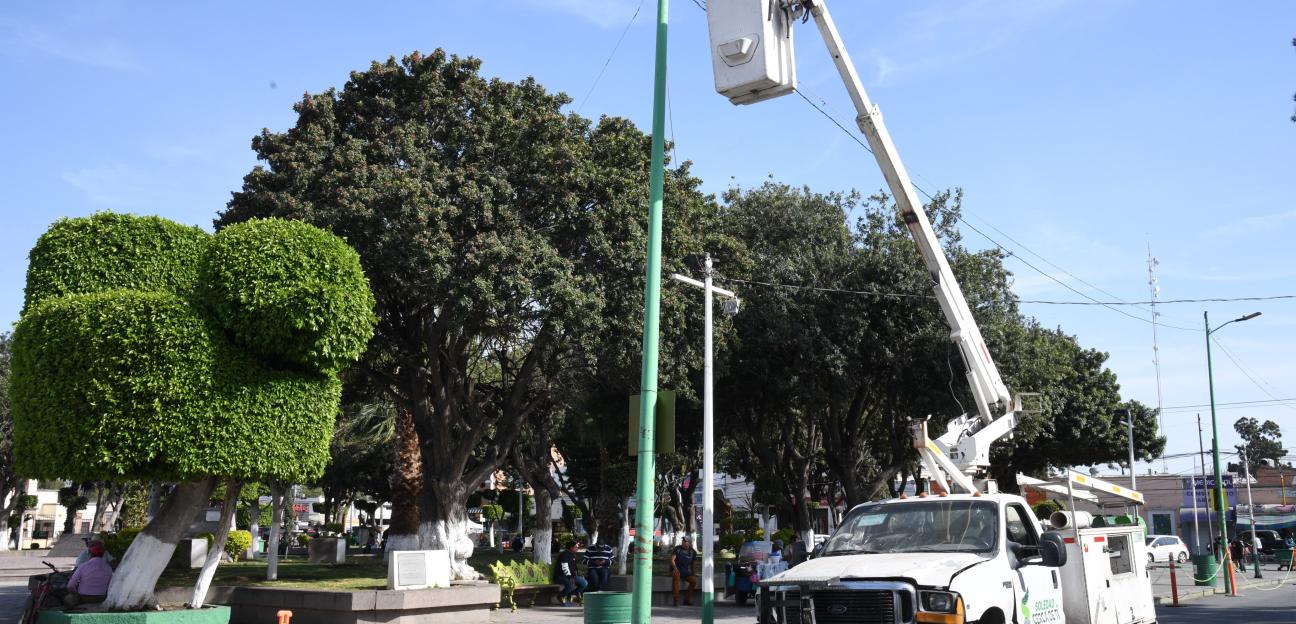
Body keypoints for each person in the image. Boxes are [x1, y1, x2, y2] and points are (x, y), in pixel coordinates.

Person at [65, 541, 113, 606]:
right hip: (101, 598)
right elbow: (110, 585)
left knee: (68, 598)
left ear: (90, 554)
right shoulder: (108, 568)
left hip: (83, 598)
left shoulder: (83, 566)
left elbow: (70, 586)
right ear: (102, 555)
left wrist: (75, 593)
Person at [554, 541, 587, 605]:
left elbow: (574, 568)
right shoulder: (564, 555)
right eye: (576, 547)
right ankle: (561, 596)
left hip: (571, 576)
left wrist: (578, 575)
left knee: (584, 583)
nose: (577, 548)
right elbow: (565, 567)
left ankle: (570, 594)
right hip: (561, 576)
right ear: (571, 547)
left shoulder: (572, 555)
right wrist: (570, 577)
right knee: (570, 585)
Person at [671, 537, 699, 607]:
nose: (683, 542)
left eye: (685, 541)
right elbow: (672, 560)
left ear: (689, 543)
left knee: (693, 581)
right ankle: (676, 601)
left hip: (685, 571)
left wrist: (694, 573)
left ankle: (687, 600)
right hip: (676, 569)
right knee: (676, 581)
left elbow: (692, 564)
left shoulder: (693, 552)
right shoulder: (677, 549)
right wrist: (674, 568)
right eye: (683, 541)